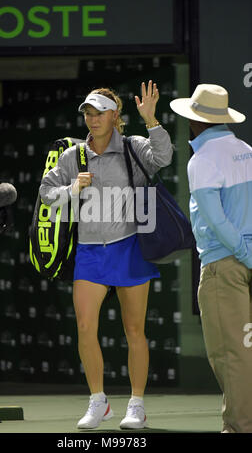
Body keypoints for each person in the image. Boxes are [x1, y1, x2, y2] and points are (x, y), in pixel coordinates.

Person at [40, 81, 173, 430]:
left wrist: (152, 121)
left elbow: (164, 157)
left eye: (99, 112)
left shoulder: (133, 146)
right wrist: (72, 188)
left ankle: (136, 405)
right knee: (85, 327)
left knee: (134, 330)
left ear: (115, 116)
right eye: (87, 112)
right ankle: (98, 402)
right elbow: (45, 193)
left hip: (130, 247)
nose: (92, 119)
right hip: (89, 252)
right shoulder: (73, 156)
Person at [170, 84, 252, 433]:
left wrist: (247, 254)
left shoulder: (202, 159)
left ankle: (238, 427)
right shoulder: (247, 150)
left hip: (226, 265)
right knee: (244, 351)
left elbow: (215, 220)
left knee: (230, 354)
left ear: (194, 122)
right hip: (243, 261)